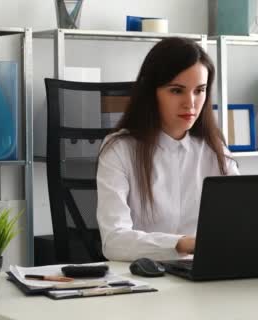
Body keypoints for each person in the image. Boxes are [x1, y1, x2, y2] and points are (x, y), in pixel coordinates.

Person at [96, 37, 239, 262]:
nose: (190, 103)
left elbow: (242, 222)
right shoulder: (119, 149)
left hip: (206, 276)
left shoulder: (215, 150)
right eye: (176, 91)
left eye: (199, 90)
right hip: (145, 279)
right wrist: (181, 244)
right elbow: (114, 241)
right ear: (150, 92)